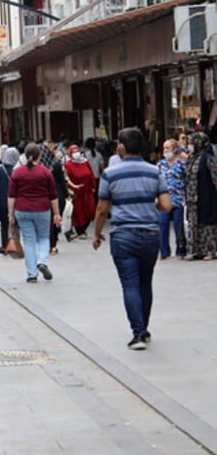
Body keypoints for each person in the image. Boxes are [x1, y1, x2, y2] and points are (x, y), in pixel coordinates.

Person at [93, 128, 172, 350]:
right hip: (150, 235)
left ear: (122, 147)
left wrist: (97, 235)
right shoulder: (154, 172)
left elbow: (101, 209)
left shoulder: (111, 173)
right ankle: (144, 329)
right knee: (145, 283)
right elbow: (166, 205)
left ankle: (137, 333)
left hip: (123, 235)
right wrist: (151, 204)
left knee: (130, 283)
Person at [8, 143, 62, 283]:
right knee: (44, 237)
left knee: (29, 241)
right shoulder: (45, 172)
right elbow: (53, 195)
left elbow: (12, 196)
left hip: (22, 210)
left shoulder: (17, 172)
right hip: (42, 209)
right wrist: (57, 213)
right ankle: (42, 262)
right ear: (40, 155)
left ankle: (32, 275)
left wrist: (10, 214)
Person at [184, 131, 217, 260]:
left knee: (207, 224)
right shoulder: (191, 158)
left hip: (205, 196)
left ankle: (210, 250)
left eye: (192, 143)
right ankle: (196, 250)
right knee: (193, 224)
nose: (190, 145)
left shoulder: (208, 158)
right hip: (192, 197)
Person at [157, 139, 187, 260]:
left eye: (168, 148)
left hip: (178, 199)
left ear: (174, 149)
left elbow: (187, 180)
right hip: (164, 201)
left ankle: (181, 250)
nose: (165, 151)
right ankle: (164, 251)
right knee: (162, 225)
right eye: (164, 148)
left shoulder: (182, 164)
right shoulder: (160, 164)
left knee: (178, 226)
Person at [64, 144, 96, 239]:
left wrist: (93, 186)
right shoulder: (68, 165)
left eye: (77, 151)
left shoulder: (85, 162)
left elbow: (91, 175)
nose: (76, 153)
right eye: (73, 152)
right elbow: (67, 179)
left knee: (91, 210)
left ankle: (84, 228)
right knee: (78, 212)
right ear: (70, 154)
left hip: (87, 191)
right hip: (76, 192)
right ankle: (80, 231)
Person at [0, 147, 19, 254]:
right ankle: (16, 246)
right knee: (16, 223)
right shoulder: (18, 169)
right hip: (16, 199)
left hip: (2, 199)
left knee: (4, 225)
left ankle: (4, 246)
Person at [48, 143, 70, 255]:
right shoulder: (57, 164)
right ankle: (53, 242)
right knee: (57, 217)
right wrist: (67, 194)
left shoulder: (44, 166)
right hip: (58, 194)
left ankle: (51, 243)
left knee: (51, 219)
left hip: (47, 195)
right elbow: (61, 181)